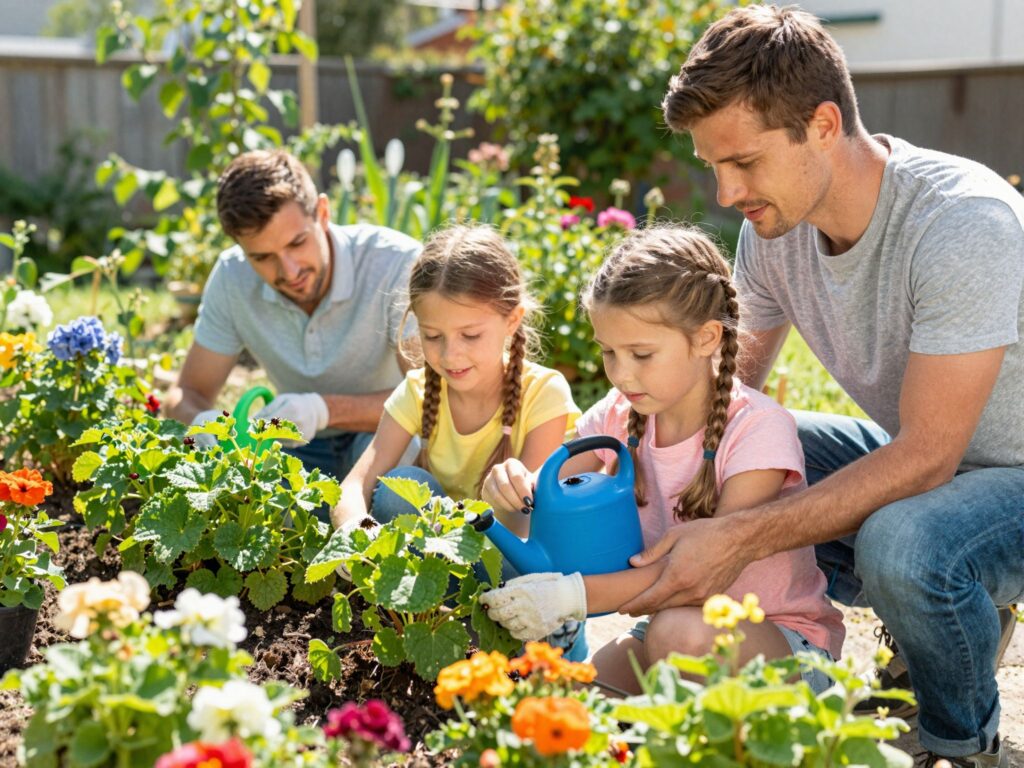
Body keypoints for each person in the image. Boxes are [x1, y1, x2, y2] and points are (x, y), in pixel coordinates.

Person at [618, 6, 1024, 766]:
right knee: (771, 450)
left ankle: (958, 741)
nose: (727, 191)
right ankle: (944, 615)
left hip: (1011, 472)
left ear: (824, 124)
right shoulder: (776, 232)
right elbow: (718, 400)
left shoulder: (962, 224)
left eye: (742, 161)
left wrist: (734, 535)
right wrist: (596, 451)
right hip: (937, 458)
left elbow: (931, 457)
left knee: (907, 543)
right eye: (713, 166)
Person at [479, 224, 845, 695]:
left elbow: (696, 576)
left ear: (707, 338)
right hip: (671, 632)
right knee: (579, 698)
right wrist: (512, 487)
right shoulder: (618, 414)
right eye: (609, 352)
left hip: (781, 642)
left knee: (676, 632)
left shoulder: (756, 430)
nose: (622, 373)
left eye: (642, 354)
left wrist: (572, 598)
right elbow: (543, 494)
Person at [331, 223, 584, 656]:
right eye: (433, 336)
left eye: (470, 335)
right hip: (447, 563)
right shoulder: (417, 391)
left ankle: (538, 637)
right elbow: (356, 483)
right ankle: (453, 627)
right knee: (398, 487)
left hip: (516, 563)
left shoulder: (544, 392)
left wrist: (508, 492)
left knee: (529, 571)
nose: (450, 355)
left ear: (512, 320)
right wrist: (356, 530)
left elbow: (528, 526)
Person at [165, 149, 421, 487]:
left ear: (323, 213)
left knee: (400, 488)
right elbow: (185, 392)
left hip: (382, 437)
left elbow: (431, 396)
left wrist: (324, 410)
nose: (289, 270)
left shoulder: (394, 264)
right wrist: (202, 420)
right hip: (294, 447)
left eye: (298, 242)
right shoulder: (232, 277)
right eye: (263, 257)